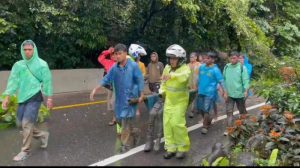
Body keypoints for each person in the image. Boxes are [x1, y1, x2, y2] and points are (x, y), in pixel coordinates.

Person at [1, 40, 53, 161]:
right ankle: (43, 135)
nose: (27, 52)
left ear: (34, 50)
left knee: (27, 124)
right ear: (22, 50)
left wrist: (49, 97)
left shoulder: (42, 64)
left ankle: (25, 151)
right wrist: (7, 97)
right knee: (20, 123)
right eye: (25, 50)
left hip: (35, 97)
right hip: (22, 97)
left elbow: (47, 81)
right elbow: (13, 81)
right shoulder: (18, 65)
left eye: (30, 49)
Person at [90, 43, 144, 153]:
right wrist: (96, 88)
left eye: (120, 54)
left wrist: (141, 94)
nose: (117, 56)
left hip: (130, 99)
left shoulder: (133, 66)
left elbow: (139, 80)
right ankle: (135, 132)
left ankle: (125, 145)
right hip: (119, 99)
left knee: (124, 123)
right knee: (119, 121)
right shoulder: (115, 67)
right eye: (116, 54)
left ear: (125, 54)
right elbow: (107, 78)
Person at [159, 44, 191, 159]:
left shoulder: (185, 69)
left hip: (180, 102)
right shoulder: (167, 68)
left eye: (174, 58)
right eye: (170, 58)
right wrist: (161, 92)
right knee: (167, 124)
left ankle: (182, 148)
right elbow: (163, 82)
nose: (172, 61)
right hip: (168, 101)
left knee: (177, 124)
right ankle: (171, 148)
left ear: (181, 59)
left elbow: (184, 77)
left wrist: (172, 75)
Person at [197, 52, 225, 134]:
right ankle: (208, 120)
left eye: (208, 58)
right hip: (201, 91)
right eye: (205, 58)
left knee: (206, 109)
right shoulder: (201, 67)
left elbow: (221, 81)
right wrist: (195, 86)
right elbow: (199, 78)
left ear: (213, 60)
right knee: (200, 108)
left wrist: (224, 91)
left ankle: (205, 126)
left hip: (210, 93)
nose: (206, 59)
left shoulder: (215, 70)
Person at [223, 51, 250, 136]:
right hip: (230, 94)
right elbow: (224, 80)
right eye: (230, 58)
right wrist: (224, 91)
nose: (232, 59)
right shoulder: (226, 67)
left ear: (238, 58)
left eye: (234, 58)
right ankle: (229, 129)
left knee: (241, 112)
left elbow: (246, 80)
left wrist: (245, 91)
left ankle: (244, 127)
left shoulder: (242, 67)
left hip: (240, 94)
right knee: (229, 112)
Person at [97, 47, 117, 126]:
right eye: (112, 54)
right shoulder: (108, 62)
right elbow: (100, 58)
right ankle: (115, 118)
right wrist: (107, 51)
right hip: (111, 85)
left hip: (120, 85)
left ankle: (116, 118)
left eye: (115, 54)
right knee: (112, 102)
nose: (114, 56)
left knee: (114, 102)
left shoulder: (122, 63)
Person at [128, 44, 147, 116]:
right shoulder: (128, 61)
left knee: (136, 97)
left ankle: (135, 110)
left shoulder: (135, 63)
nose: (139, 57)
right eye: (139, 55)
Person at [188, 52, 202, 118]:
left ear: (196, 57)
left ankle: (198, 109)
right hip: (189, 85)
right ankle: (192, 111)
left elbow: (202, 75)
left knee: (198, 97)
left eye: (192, 57)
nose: (191, 58)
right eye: (190, 57)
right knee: (192, 98)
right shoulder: (187, 65)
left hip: (198, 84)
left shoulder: (199, 65)